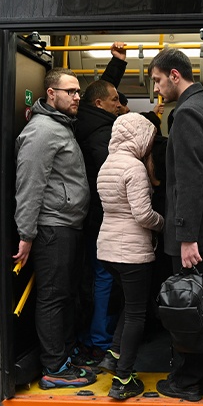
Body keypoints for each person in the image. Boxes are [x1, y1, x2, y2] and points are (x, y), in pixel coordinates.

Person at [12, 67, 96, 389]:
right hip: (52, 228)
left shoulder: (59, 126)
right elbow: (30, 185)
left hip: (66, 225)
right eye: (70, 92)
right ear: (51, 94)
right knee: (52, 297)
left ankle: (65, 355)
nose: (77, 97)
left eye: (78, 92)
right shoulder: (43, 130)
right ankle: (54, 369)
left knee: (66, 295)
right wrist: (26, 234)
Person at [148, 48, 203, 402]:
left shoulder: (189, 113)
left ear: (175, 76)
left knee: (186, 305)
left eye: (158, 81)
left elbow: (190, 181)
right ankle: (195, 375)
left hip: (193, 235)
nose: (158, 90)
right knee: (197, 303)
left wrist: (187, 236)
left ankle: (188, 381)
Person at [96, 112, 164, 400]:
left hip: (108, 249)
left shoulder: (107, 164)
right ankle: (123, 379)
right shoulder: (134, 168)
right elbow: (142, 214)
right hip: (132, 251)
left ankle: (114, 354)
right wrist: (163, 224)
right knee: (138, 313)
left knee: (130, 304)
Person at [74, 42, 127, 366]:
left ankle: (95, 334)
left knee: (98, 275)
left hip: (92, 216)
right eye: (115, 101)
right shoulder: (101, 137)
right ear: (100, 105)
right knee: (104, 276)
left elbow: (103, 90)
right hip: (101, 217)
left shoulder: (91, 119)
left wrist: (117, 63)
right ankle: (98, 339)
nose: (120, 104)